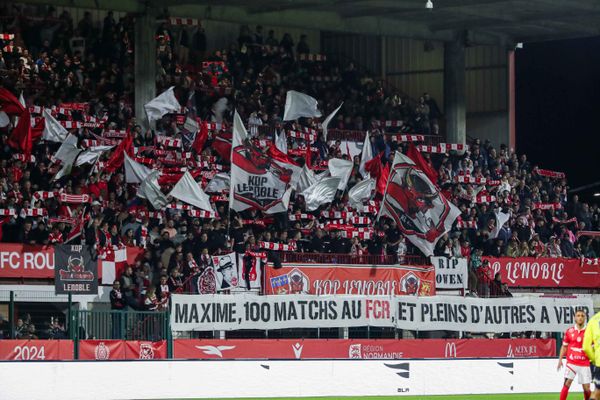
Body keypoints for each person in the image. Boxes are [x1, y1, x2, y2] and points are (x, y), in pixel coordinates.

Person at [559, 310, 591, 400]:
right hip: (571, 362)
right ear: (575, 318)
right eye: (578, 315)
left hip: (584, 363)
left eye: (582, 316)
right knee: (566, 383)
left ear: (585, 318)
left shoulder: (589, 332)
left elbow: (594, 347)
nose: (580, 317)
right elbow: (564, 346)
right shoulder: (569, 331)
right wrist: (560, 360)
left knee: (586, 388)